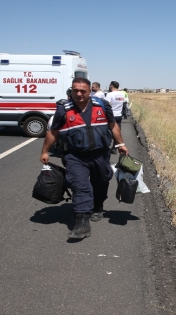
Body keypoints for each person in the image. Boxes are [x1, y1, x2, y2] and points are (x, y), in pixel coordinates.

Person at [41, 78, 129, 240]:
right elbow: (53, 132)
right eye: (75, 90)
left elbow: (112, 125)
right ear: (71, 91)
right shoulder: (63, 110)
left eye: (83, 91)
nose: (79, 93)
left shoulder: (102, 106)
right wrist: (45, 151)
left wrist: (120, 143)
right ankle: (82, 222)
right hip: (75, 155)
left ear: (90, 91)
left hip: (100, 153)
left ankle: (98, 205)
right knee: (80, 186)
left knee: (101, 181)